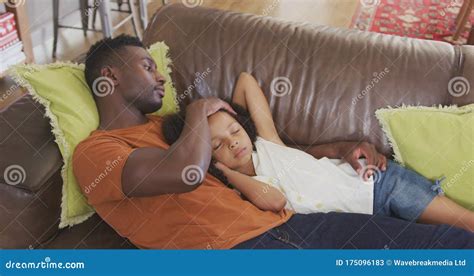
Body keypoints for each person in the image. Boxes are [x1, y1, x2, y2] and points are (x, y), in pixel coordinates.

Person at [72, 34, 474, 249]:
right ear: (110, 77)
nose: (160, 76)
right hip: (245, 247)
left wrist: (334, 148)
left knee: (446, 248)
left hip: (294, 224)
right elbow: (188, 173)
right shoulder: (96, 153)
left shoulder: (167, 127)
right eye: (147, 67)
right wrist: (199, 109)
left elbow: (275, 151)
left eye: (159, 68)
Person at [163, 72, 474, 233]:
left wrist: (208, 108)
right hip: (367, 228)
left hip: (379, 186)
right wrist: (220, 167)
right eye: (216, 145)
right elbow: (273, 200)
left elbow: (245, 81)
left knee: (467, 224)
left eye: (233, 130)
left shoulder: (268, 143)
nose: (232, 142)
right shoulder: (236, 194)